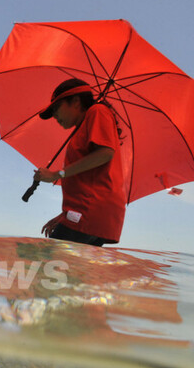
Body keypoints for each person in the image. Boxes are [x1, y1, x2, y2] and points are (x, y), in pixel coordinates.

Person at [33, 78, 126, 246]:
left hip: (88, 212)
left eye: (56, 108)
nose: (54, 116)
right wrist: (66, 215)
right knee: (71, 271)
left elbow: (105, 153)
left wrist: (56, 174)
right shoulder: (85, 125)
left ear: (75, 101)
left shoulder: (97, 111)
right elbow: (91, 177)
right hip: (91, 214)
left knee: (47, 267)